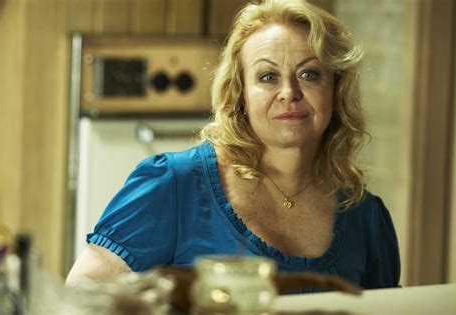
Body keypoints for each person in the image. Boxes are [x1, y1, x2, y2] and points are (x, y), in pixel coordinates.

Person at [66, 0, 400, 290]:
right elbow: (82, 297)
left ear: (335, 91)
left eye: (309, 75)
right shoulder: (174, 184)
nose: (289, 92)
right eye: (267, 77)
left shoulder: (365, 216)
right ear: (240, 94)